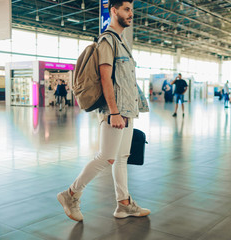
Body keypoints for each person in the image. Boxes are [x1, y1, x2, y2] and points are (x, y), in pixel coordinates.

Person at [57, 0, 150, 222]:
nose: (131, 14)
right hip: (115, 111)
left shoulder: (122, 41)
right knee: (106, 157)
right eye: (127, 10)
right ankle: (71, 194)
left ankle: (124, 204)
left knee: (121, 158)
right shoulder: (108, 41)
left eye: (132, 10)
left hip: (127, 110)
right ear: (114, 11)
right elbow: (106, 79)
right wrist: (114, 112)